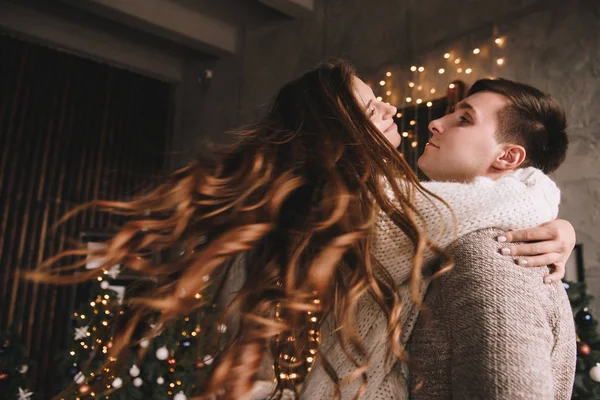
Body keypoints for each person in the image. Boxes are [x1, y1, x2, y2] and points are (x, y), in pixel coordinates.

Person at [27, 60, 575, 400]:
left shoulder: (459, 227)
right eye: (370, 104)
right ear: (339, 130)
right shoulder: (324, 223)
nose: (400, 111)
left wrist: (558, 226)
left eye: (461, 118)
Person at [407, 79, 576, 399]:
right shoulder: (449, 239)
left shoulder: (491, 255)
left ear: (508, 157)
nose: (435, 123)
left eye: (464, 119)